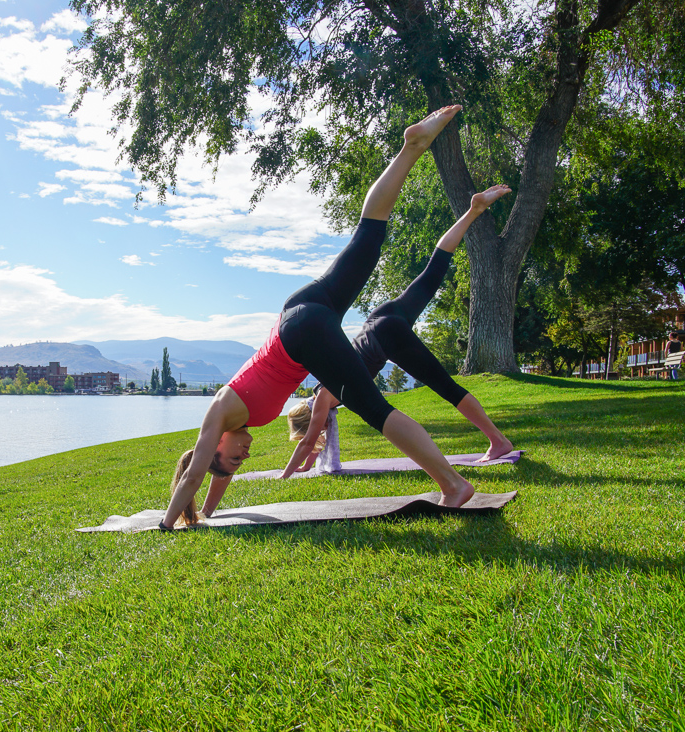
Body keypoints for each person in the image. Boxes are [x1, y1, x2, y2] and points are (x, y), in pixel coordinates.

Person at [163, 106, 473, 529]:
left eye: (235, 456)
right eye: (241, 461)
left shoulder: (216, 415)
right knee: (367, 238)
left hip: (300, 335)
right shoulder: (228, 424)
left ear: (216, 444)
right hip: (296, 312)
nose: (244, 456)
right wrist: (206, 515)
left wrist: (167, 524)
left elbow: (195, 474)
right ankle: (411, 148)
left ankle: (453, 485)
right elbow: (214, 479)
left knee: (374, 408)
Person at [283, 185, 514, 477]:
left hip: (385, 336)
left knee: (446, 387)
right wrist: (307, 458)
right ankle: (474, 210)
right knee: (434, 270)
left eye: (317, 432)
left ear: (312, 421)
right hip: (380, 318)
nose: (321, 434)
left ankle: (498, 441)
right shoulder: (327, 388)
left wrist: (288, 472)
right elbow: (310, 442)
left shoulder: (323, 399)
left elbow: (307, 442)